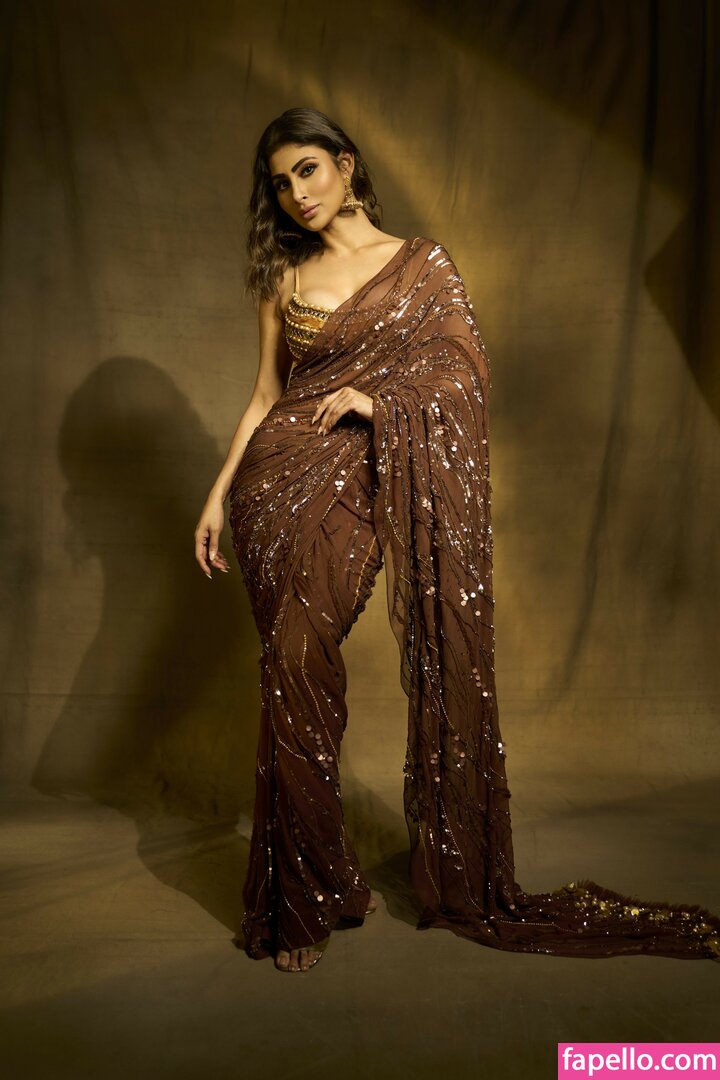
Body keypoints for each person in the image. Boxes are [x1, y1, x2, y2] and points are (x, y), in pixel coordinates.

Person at [194, 107, 720, 973]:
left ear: (346, 163)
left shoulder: (423, 265)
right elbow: (263, 398)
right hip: (272, 490)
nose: (295, 195)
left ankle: (312, 887)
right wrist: (217, 498)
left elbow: (464, 376)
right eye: (280, 184)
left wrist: (380, 404)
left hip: (363, 480)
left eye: (307, 170)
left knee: (298, 653)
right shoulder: (284, 276)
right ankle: (316, 890)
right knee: (290, 676)